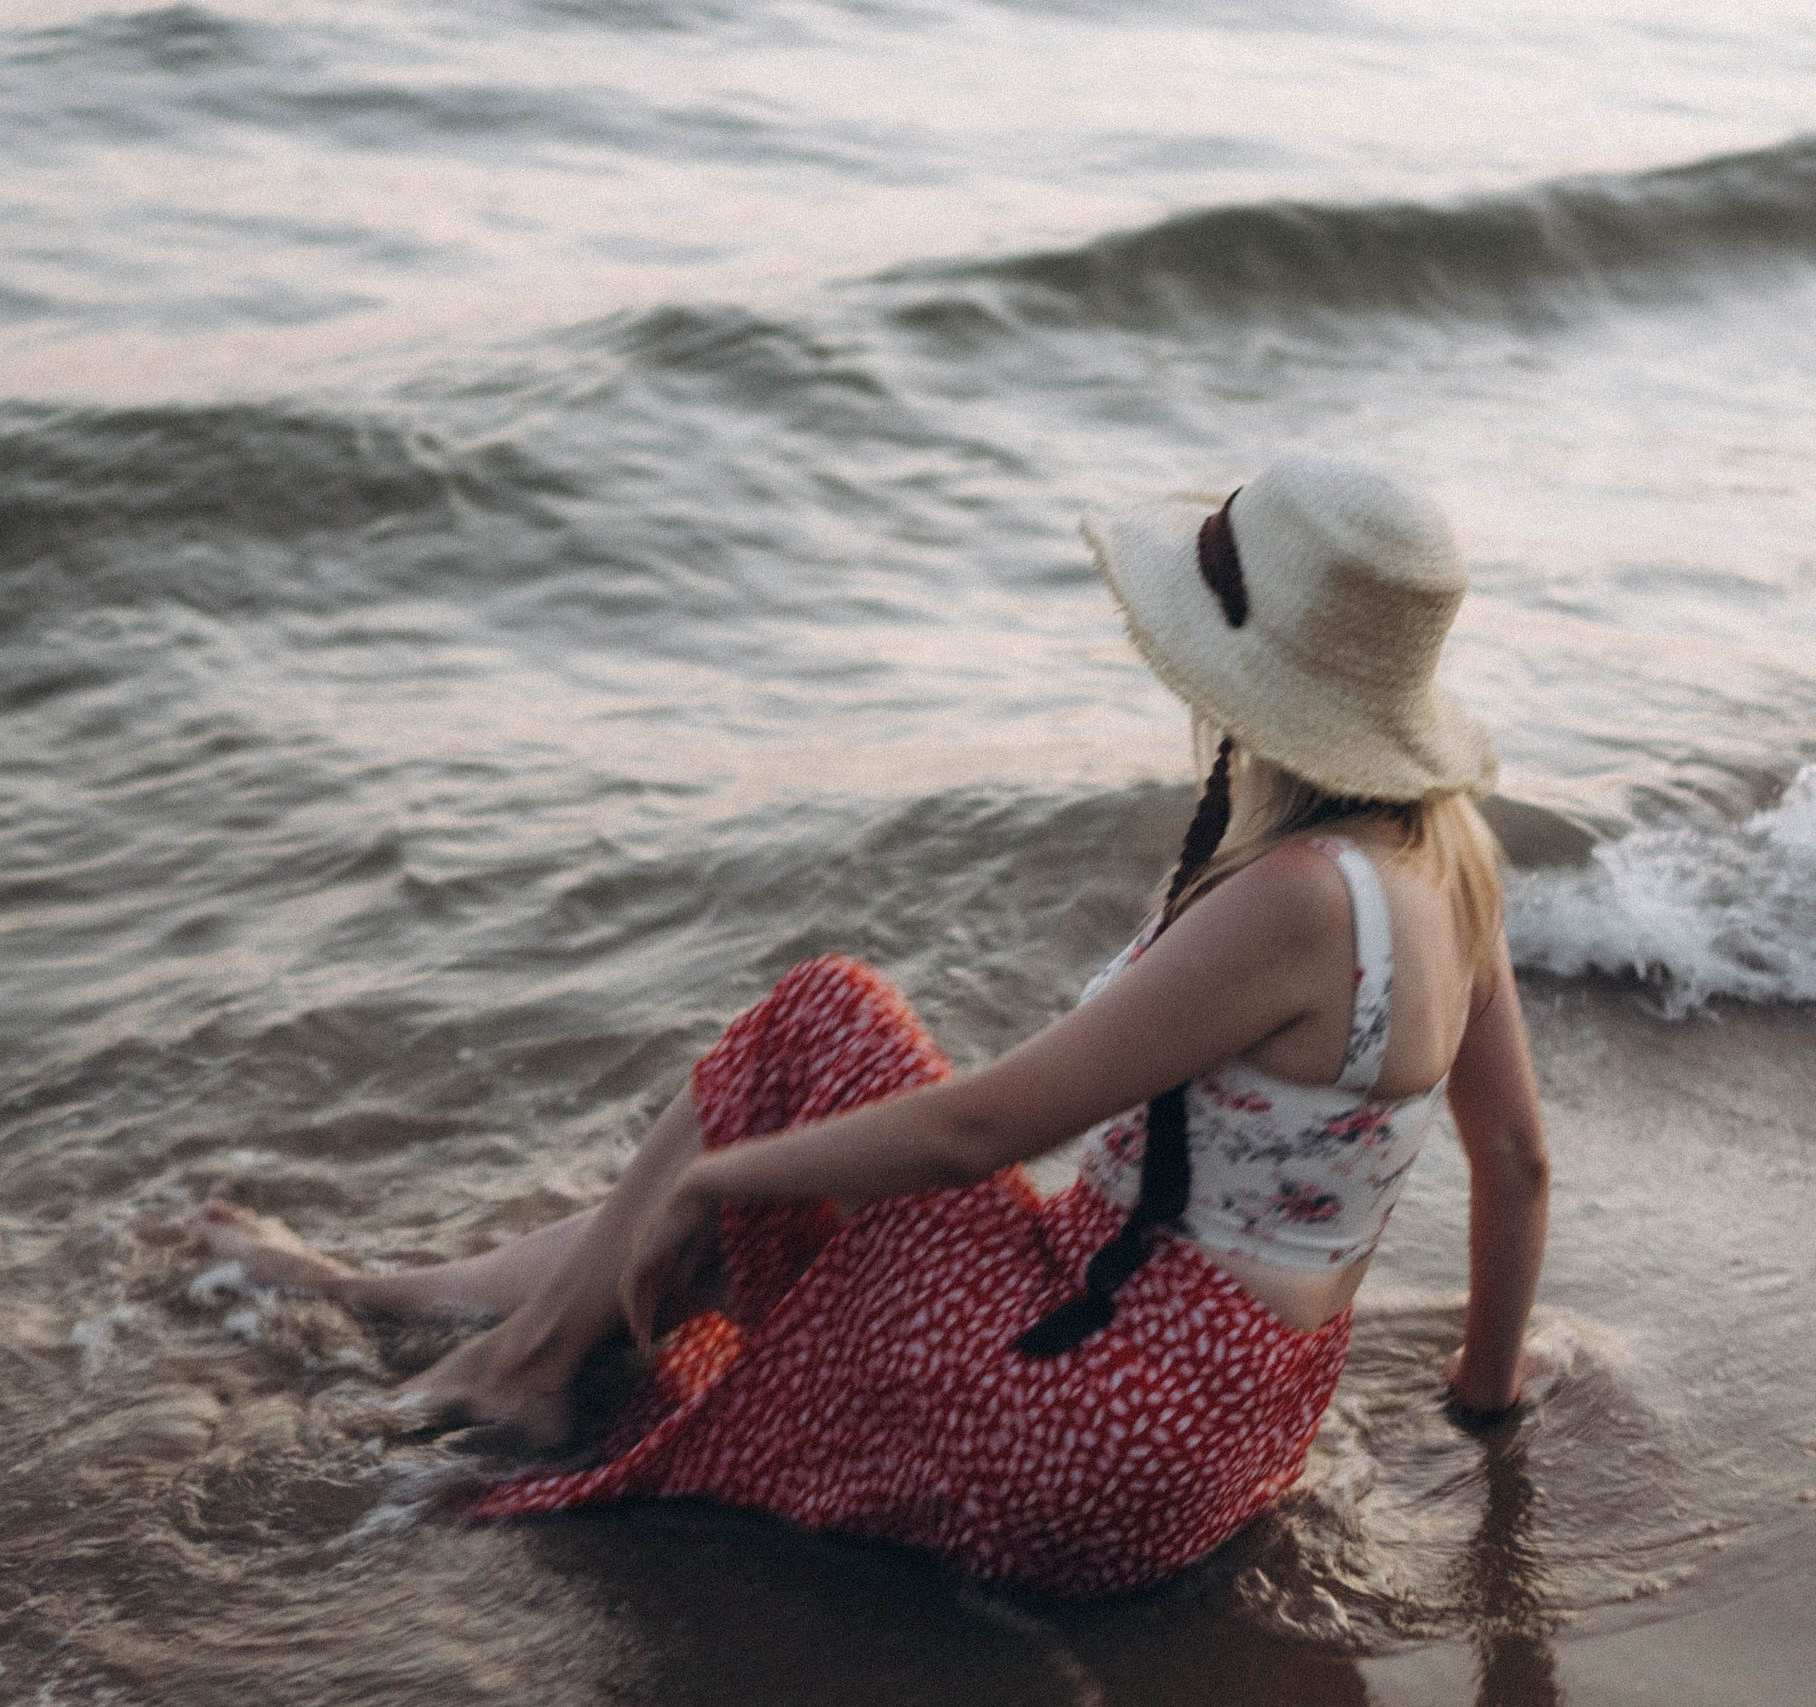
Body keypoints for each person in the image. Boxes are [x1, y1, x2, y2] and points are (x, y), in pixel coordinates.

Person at [192, 451, 1553, 1599]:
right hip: (1227, 1448)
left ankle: (517, 1367)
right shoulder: (1451, 869)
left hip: (1086, 1434)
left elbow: (980, 1129)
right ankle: (403, 1299)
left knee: (819, 1018)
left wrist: (721, 1179)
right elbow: (1516, 1161)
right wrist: (1488, 1393)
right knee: (783, 1152)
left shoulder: (1298, 899)